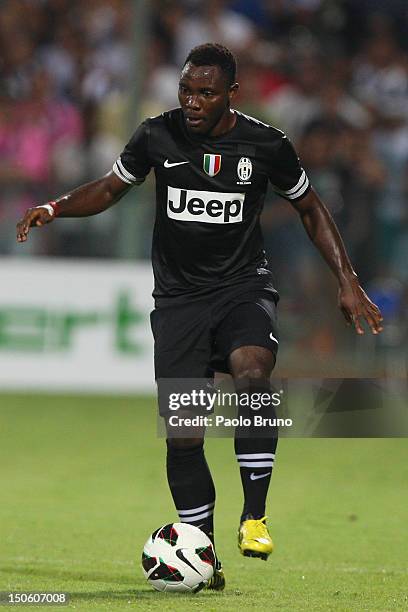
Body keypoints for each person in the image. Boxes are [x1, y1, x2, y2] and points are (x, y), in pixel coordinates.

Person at [16, 43, 383, 591]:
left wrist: (347, 280)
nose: (192, 101)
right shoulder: (156, 135)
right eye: (187, 89)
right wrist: (55, 206)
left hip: (243, 288)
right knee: (185, 435)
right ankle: (203, 556)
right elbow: (113, 187)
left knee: (253, 373)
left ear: (231, 94)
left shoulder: (265, 144)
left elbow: (309, 206)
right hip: (179, 302)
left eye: (205, 93)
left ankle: (254, 515)